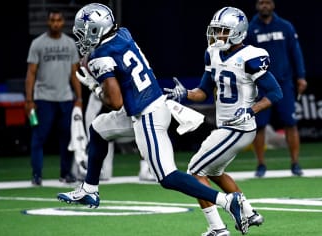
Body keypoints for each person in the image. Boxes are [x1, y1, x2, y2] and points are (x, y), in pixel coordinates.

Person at [56, 3, 249, 233]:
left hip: (147, 114)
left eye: (84, 31)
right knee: (98, 128)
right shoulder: (122, 33)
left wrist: (94, 87)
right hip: (146, 105)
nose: (81, 37)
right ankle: (89, 189)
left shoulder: (100, 56)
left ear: (97, 29)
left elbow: (115, 101)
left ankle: (228, 201)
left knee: (167, 177)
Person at [164, 6, 282, 235]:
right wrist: (185, 94)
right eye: (216, 31)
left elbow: (276, 93)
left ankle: (217, 228)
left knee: (195, 170)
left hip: (239, 127)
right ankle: (249, 213)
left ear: (238, 32)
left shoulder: (250, 57)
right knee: (214, 170)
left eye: (222, 31)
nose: (217, 36)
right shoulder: (213, 53)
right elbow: (203, 91)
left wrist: (252, 110)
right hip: (226, 126)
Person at [244, 0, 308, 177]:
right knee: (259, 125)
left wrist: (301, 76)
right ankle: (261, 165)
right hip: (260, 85)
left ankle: (295, 163)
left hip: (284, 82)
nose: (264, 6)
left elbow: (296, 52)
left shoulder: (285, 26)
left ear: (273, 5)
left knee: (290, 123)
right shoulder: (249, 29)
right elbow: (242, 56)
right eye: (261, 3)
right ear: (257, 5)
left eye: (268, 2)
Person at [25, 8, 82, 186]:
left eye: (58, 20)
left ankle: (66, 173)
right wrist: (29, 100)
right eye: (52, 20)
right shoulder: (38, 43)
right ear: (48, 22)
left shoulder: (70, 44)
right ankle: (37, 175)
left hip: (65, 97)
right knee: (39, 137)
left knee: (67, 137)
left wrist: (79, 98)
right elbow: (31, 73)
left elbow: (74, 73)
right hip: (43, 98)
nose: (55, 23)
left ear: (63, 22)